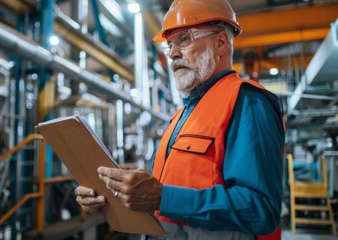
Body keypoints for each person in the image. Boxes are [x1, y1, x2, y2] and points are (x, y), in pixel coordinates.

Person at [75, 0, 285, 239]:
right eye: (170, 44)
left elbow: (261, 209)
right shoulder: (182, 116)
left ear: (220, 43)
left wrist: (162, 198)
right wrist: (111, 193)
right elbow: (166, 190)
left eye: (184, 39)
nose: (173, 53)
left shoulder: (247, 102)